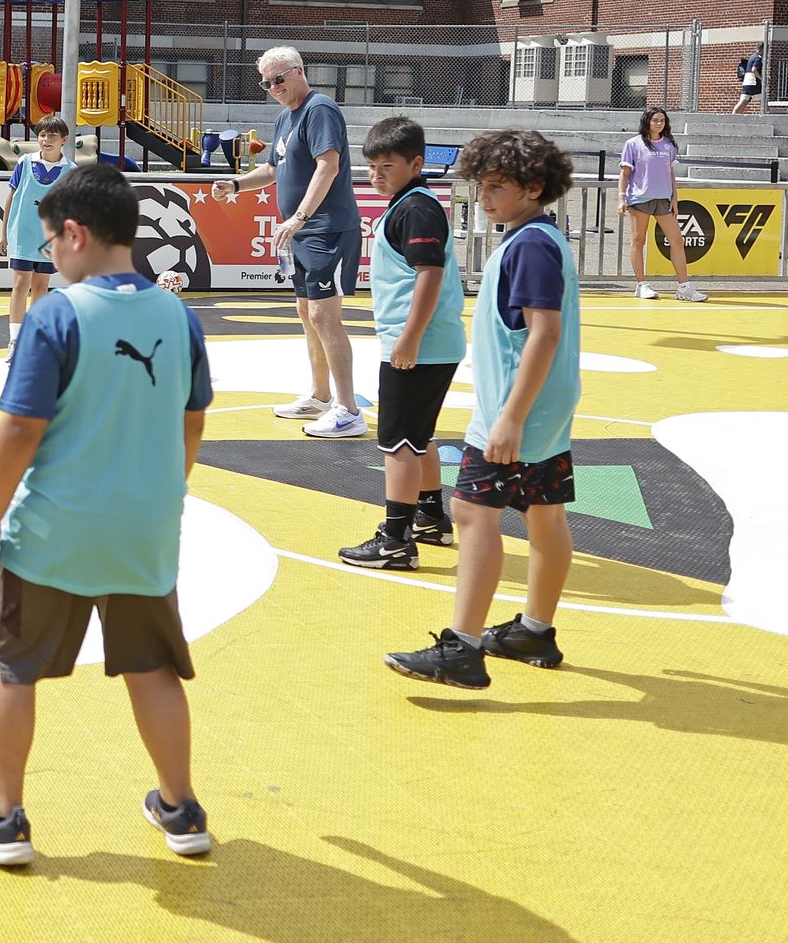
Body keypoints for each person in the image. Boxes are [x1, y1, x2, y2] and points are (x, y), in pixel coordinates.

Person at [0, 164, 215, 868]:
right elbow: (193, 418)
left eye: (50, 243)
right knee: (153, 665)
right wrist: (167, 486)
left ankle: (4, 819)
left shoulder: (57, 314)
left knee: (12, 667)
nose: (49, 257)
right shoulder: (177, 313)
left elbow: (19, 429)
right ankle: (180, 807)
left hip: (57, 527)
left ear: (74, 233)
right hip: (147, 524)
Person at [385, 129, 580, 690]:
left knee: (471, 514)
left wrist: (510, 416)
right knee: (544, 512)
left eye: (496, 187)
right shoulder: (540, 238)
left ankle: (462, 648)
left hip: (517, 409)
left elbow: (543, 334)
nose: (485, 197)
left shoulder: (531, 246)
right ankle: (534, 629)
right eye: (481, 186)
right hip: (541, 407)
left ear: (534, 187)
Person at [212, 46, 365, 438]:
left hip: (324, 227)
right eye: (266, 83)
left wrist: (300, 217)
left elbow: (327, 165)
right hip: (305, 229)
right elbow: (274, 169)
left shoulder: (319, 108)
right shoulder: (286, 117)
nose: (273, 87)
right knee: (305, 311)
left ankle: (348, 409)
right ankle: (319, 394)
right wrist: (234, 185)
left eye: (279, 79)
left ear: (300, 72)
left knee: (323, 315)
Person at [338, 117, 463, 571]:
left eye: (386, 167)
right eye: (371, 167)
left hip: (418, 345)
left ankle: (394, 539)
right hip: (430, 343)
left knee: (398, 444)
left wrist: (408, 339)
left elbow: (430, 274)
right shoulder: (411, 203)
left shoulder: (416, 209)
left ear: (416, 163)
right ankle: (430, 517)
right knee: (419, 435)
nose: (376, 176)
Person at [0, 116, 71, 360]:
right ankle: (15, 340)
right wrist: (3, 232)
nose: (46, 140)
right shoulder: (25, 162)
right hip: (23, 233)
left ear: (64, 140)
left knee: (41, 286)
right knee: (20, 284)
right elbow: (11, 198)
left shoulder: (71, 171)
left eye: (52, 136)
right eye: (42, 135)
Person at [619, 108, 706, 302]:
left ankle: (684, 287)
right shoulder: (633, 144)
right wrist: (621, 197)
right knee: (638, 240)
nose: (659, 123)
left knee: (677, 240)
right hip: (640, 199)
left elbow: (671, 174)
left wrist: (675, 197)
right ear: (647, 122)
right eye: (655, 120)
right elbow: (625, 174)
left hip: (663, 200)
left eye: (662, 120)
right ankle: (641, 284)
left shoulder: (669, 145)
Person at [733, 45, 765, 115]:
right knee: (763, 100)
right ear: (761, 49)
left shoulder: (752, 57)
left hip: (747, 82)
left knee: (744, 101)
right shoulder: (758, 58)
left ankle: (734, 115)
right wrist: (762, 79)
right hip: (754, 83)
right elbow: (754, 70)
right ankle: (764, 116)